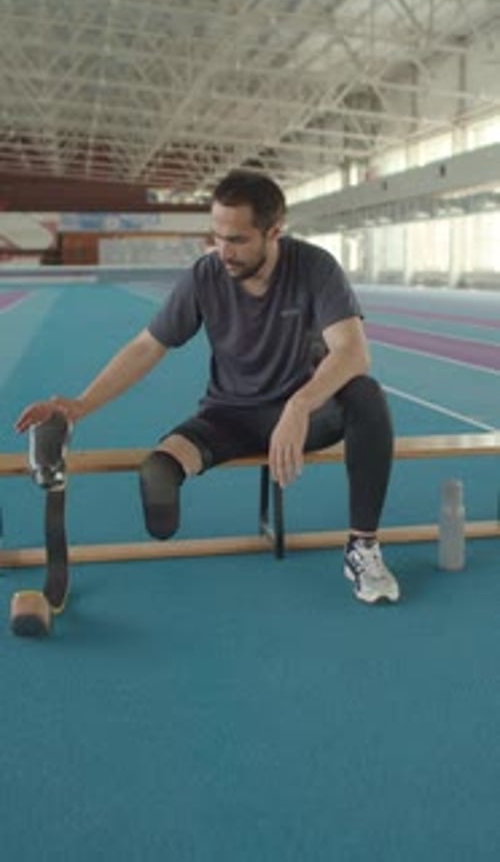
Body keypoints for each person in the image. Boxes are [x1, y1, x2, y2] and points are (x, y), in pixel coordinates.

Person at [15, 169, 399, 604]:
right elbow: (147, 346)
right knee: (157, 475)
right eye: (216, 236)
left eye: (237, 240)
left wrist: (299, 405)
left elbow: (352, 352)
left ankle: (362, 546)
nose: (223, 251)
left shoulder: (314, 267)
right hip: (230, 415)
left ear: (275, 232)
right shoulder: (205, 276)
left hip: (305, 416)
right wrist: (80, 406)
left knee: (366, 393)